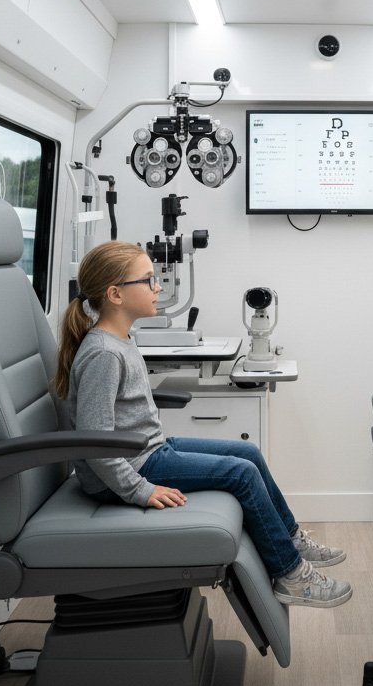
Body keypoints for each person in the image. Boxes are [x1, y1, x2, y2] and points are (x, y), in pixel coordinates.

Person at [54, 240, 352, 610]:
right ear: (115, 294)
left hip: (147, 449)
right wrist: (139, 490)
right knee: (241, 474)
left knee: (247, 452)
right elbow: (95, 442)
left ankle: (289, 538)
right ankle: (290, 574)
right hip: (127, 469)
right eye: (147, 280)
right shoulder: (103, 353)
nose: (158, 286)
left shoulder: (121, 340)